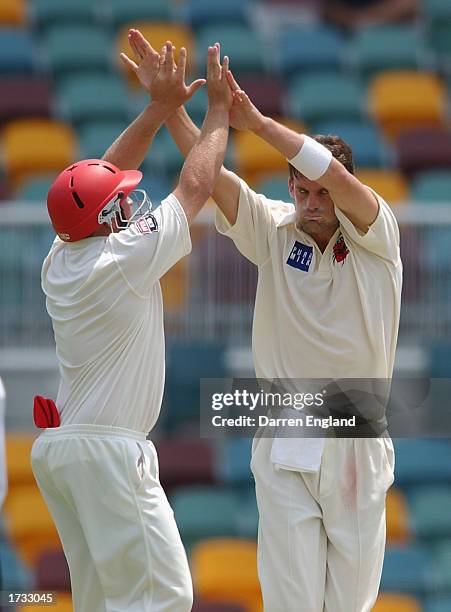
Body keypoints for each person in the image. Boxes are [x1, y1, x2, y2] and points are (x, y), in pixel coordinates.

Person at [116, 30, 401, 611]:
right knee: (291, 601)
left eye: (321, 191)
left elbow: (339, 182)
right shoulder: (274, 229)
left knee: (348, 605)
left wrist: (258, 122)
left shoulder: (378, 236)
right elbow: (211, 179)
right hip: (285, 421)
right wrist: (170, 107)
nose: (310, 201)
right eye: (300, 190)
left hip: (357, 428)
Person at [30, 41, 232, 612]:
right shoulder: (125, 258)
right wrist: (216, 113)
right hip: (108, 452)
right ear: (104, 218)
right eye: (118, 201)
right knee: (164, 599)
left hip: (65, 453)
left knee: (102, 603)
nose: (127, 202)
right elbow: (194, 188)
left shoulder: (60, 256)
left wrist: (159, 107)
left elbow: (98, 177)